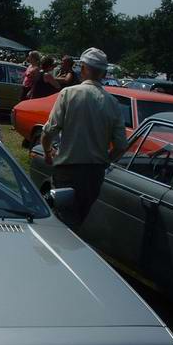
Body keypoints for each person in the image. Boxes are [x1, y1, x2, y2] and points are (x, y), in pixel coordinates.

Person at [40, 47, 128, 231]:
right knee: (78, 221)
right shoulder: (112, 102)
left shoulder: (69, 94)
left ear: (84, 68)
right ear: (103, 73)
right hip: (94, 174)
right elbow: (121, 145)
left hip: (67, 169)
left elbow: (49, 131)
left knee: (59, 222)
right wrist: (106, 160)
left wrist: (48, 152)